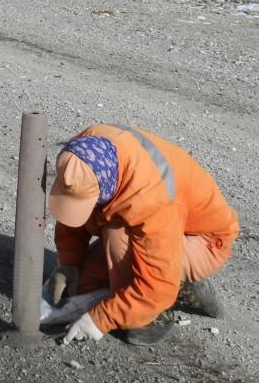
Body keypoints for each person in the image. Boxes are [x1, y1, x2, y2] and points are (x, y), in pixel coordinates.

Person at [46, 124, 239, 346]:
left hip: (203, 239)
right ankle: (166, 276)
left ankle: (154, 313)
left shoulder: (151, 200)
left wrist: (100, 319)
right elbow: (77, 207)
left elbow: (156, 287)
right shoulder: (84, 151)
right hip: (154, 224)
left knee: (118, 240)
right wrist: (69, 263)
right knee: (82, 289)